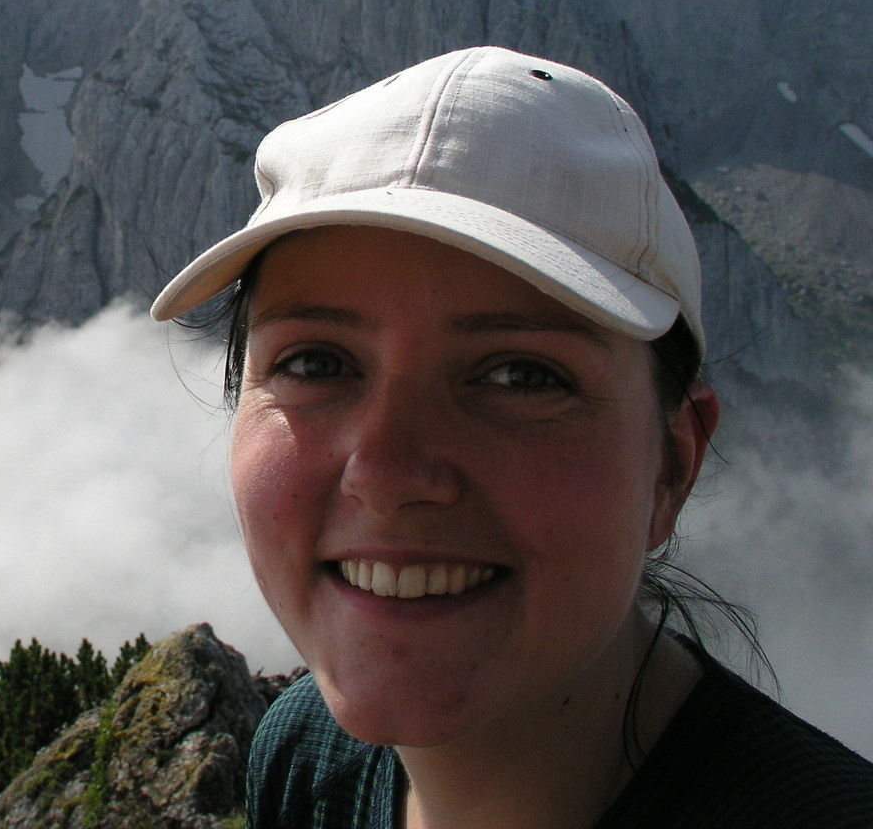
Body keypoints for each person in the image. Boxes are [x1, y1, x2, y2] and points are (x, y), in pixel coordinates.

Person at [149, 46, 873, 828]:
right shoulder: (299, 757)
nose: (386, 474)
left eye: (522, 376)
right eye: (314, 363)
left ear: (671, 465)